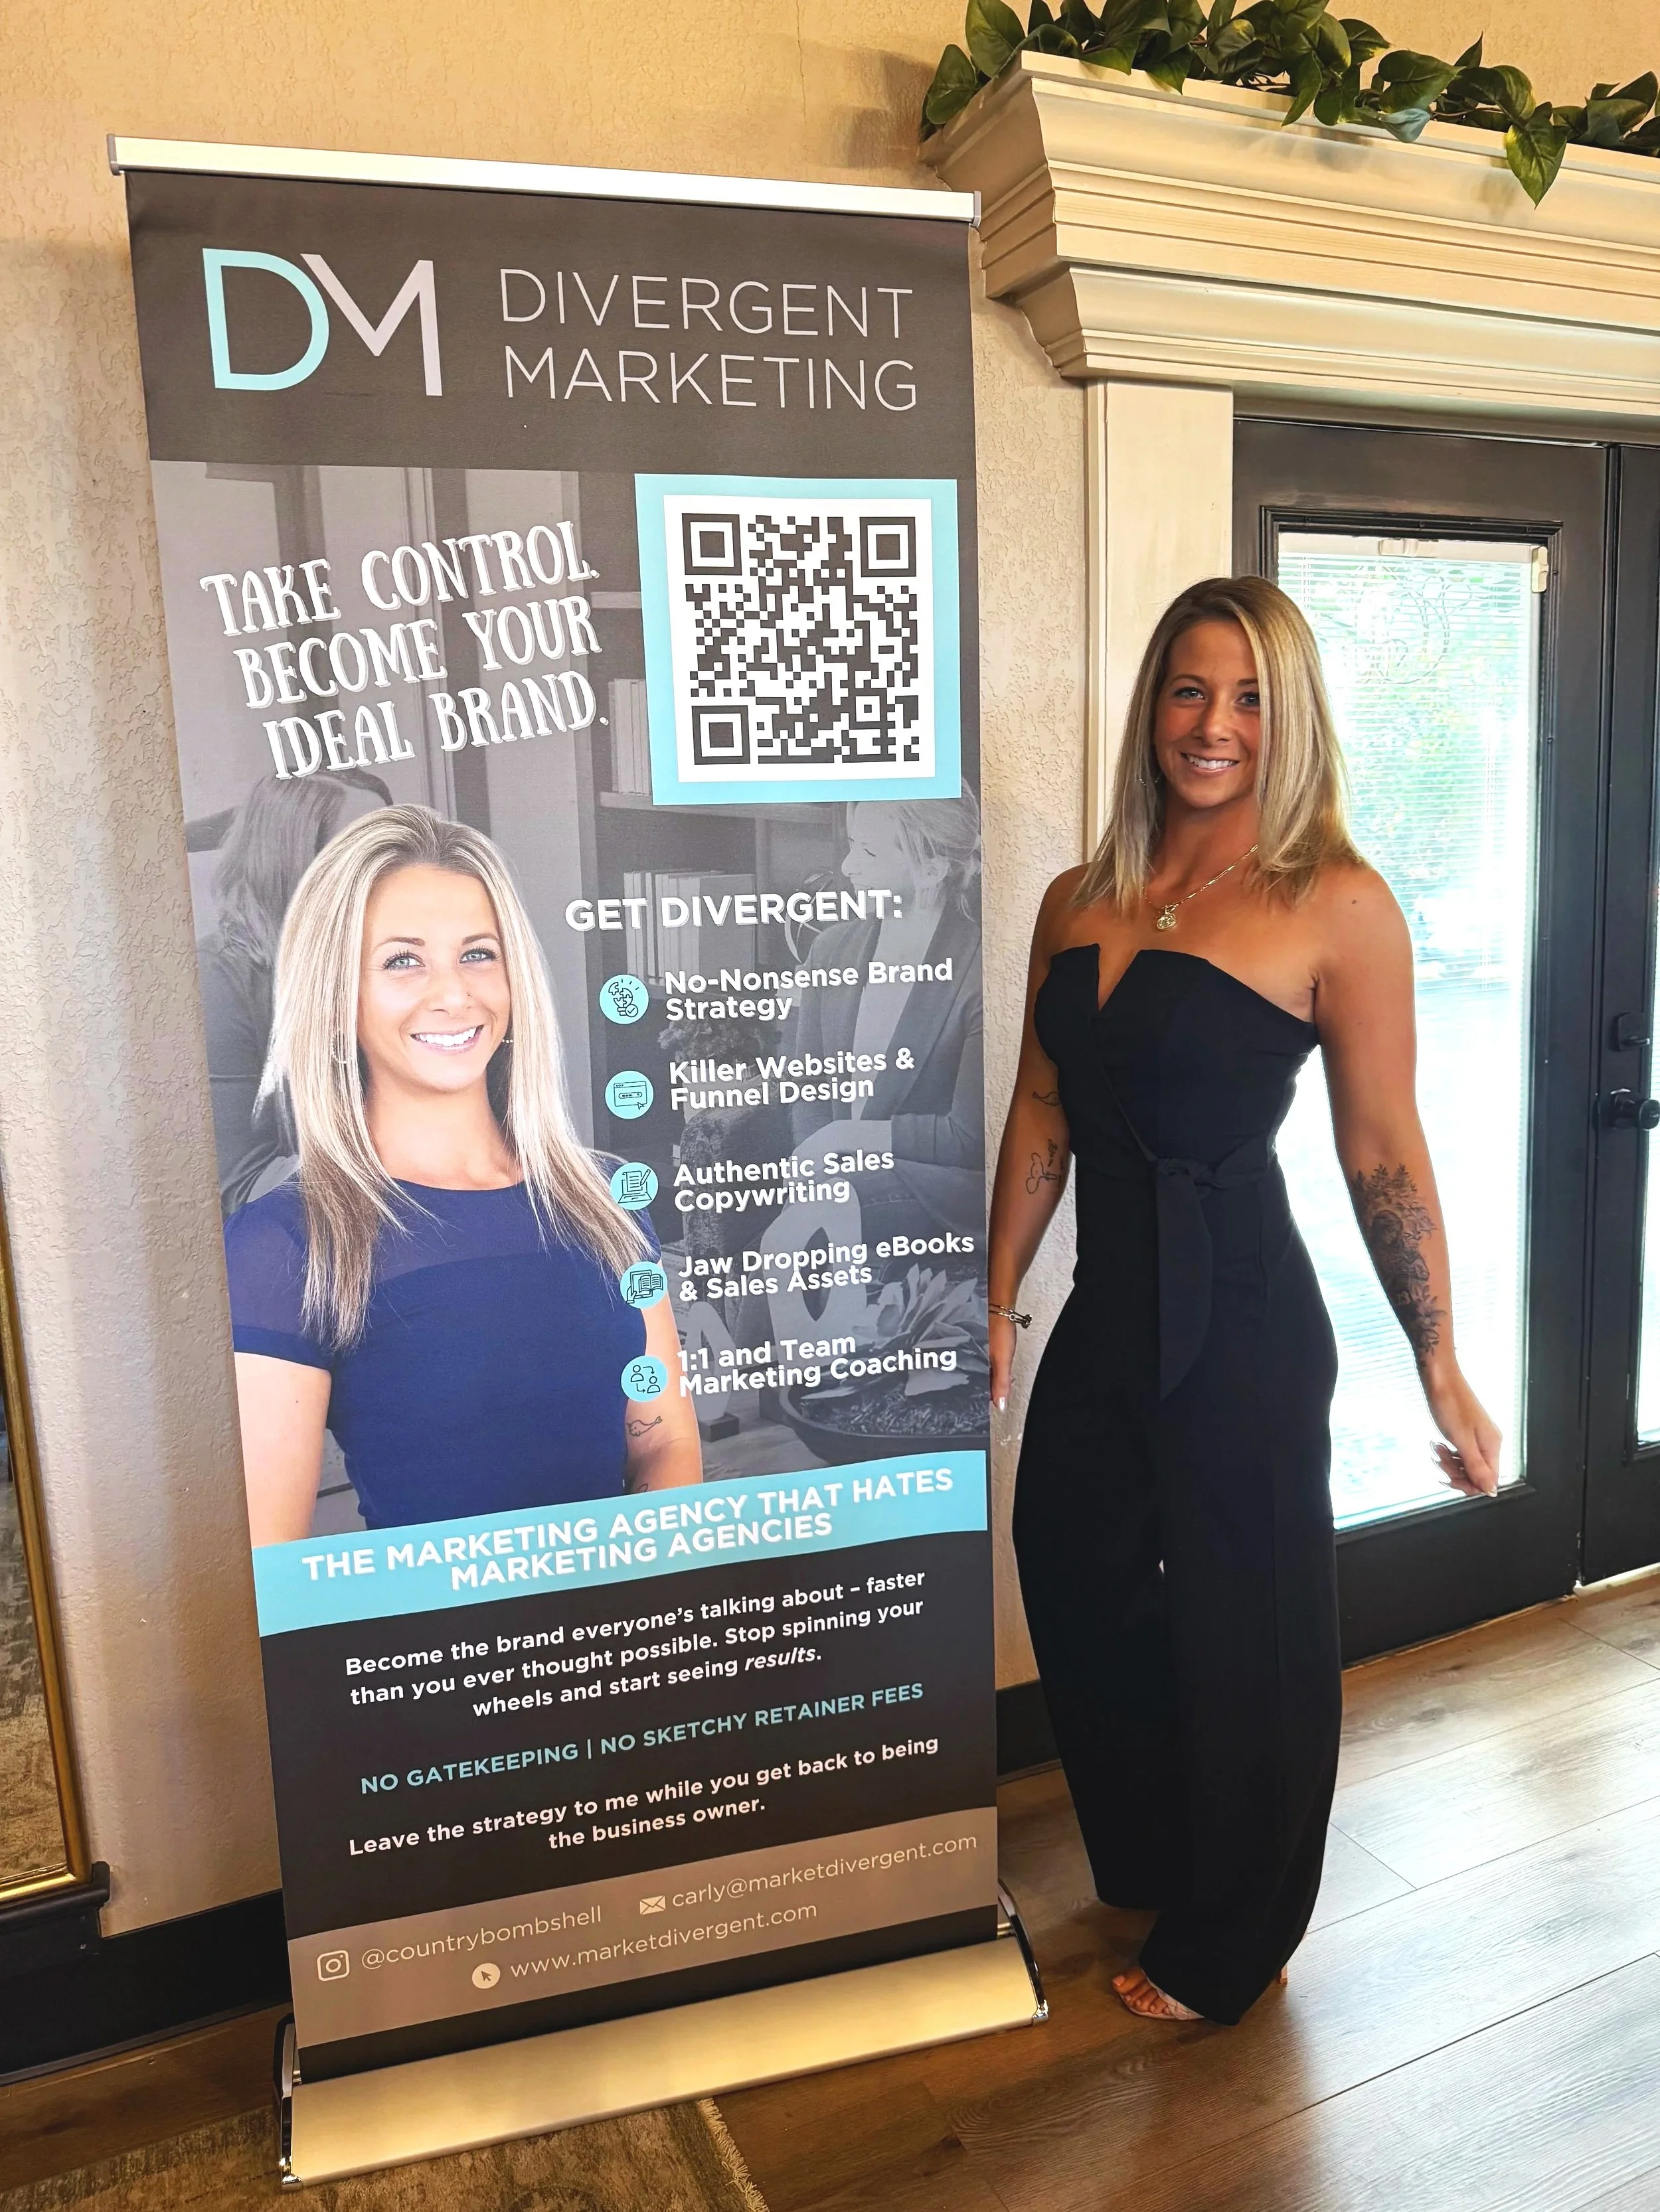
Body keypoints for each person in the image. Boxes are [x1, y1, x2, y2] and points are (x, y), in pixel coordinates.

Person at [988, 577, 1499, 2027]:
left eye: (1249, 696)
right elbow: (1041, 1107)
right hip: (1112, 1297)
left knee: (1248, 1624)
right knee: (1070, 1563)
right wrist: (995, 1296)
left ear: (1292, 720)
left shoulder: (1331, 902)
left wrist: (1440, 1360)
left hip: (1248, 1320)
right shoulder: (1077, 896)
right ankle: (1158, 1849)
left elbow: (1380, 1147)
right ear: (1150, 707)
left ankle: (1240, 1933)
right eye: (1187, 690)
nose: (1212, 725)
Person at [226, 804, 701, 1541]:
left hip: (626, 1644)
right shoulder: (285, 1243)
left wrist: (637, 1614)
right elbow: (272, 1579)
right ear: (335, 997)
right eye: (402, 959)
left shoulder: (607, 1199)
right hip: (441, 1655)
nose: (454, 993)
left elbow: (663, 1442)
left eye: (478, 952)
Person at [788, 796, 984, 1249]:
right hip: (842, 1178)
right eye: (853, 845)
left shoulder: (980, 972)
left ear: (932, 870)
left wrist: (846, 1137)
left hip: (936, 1188)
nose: (849, 866)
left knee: (802, 1239)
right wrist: (818, 1160)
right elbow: (807, 1084)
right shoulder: (831, 949)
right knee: (803, 1230)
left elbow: (969, 1137)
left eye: (870, 853)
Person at [196, 768, 391, 1212]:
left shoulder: (392, 960)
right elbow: (239, 1191)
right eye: (365, 852)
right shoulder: (218, 982)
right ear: (296, 864)